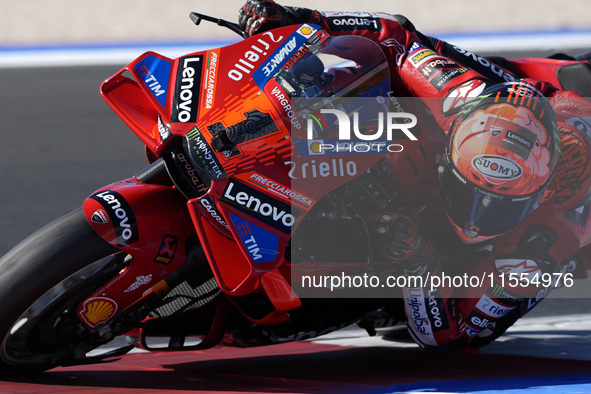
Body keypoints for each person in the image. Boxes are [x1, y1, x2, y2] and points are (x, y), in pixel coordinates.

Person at [238, 0, 591, 353]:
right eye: (467, 194)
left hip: (530, 227)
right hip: (540, 92)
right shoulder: (460, 97)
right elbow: (395, 36)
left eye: (497, 207)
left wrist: (419, 261)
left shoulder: (545, 241)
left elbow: (455, 336)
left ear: (541, 195)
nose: (473, 221)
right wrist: (300, 20)